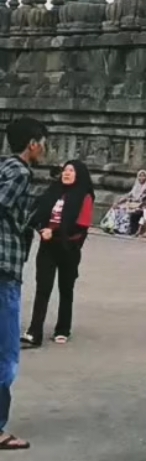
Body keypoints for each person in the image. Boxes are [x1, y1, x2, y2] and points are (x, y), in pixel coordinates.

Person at [0, 116, 48, 451]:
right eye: (42, 142)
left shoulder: (3, 168)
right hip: (4, 269)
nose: (44, 148)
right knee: (7, 355)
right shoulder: (19, 172)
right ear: (32, 144)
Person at [22, 159, 94, 347]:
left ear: (79, 174)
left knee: (65, 289)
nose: (66, 173)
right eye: (64, 170)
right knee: (42, 288)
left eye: (71, 170)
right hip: (48, 246)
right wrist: (41, 229)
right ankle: (34, 332)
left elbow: (81, 225)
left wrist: (53, 232)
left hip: (68, 247)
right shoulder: (53, 191)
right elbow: (38, 214)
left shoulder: (84, 196)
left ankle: (63, 328)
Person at [104, 170, 146, 235]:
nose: (141, 178)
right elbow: (128, 195)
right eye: (140, 176)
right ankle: (111, 226)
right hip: (130, 204)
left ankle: (124, 230)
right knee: (116, 208)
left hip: (140, 206)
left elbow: (143, 200)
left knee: (127, 211)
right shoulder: (136, 186)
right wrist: (117, 202)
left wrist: (132, 205)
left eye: (143, 176)